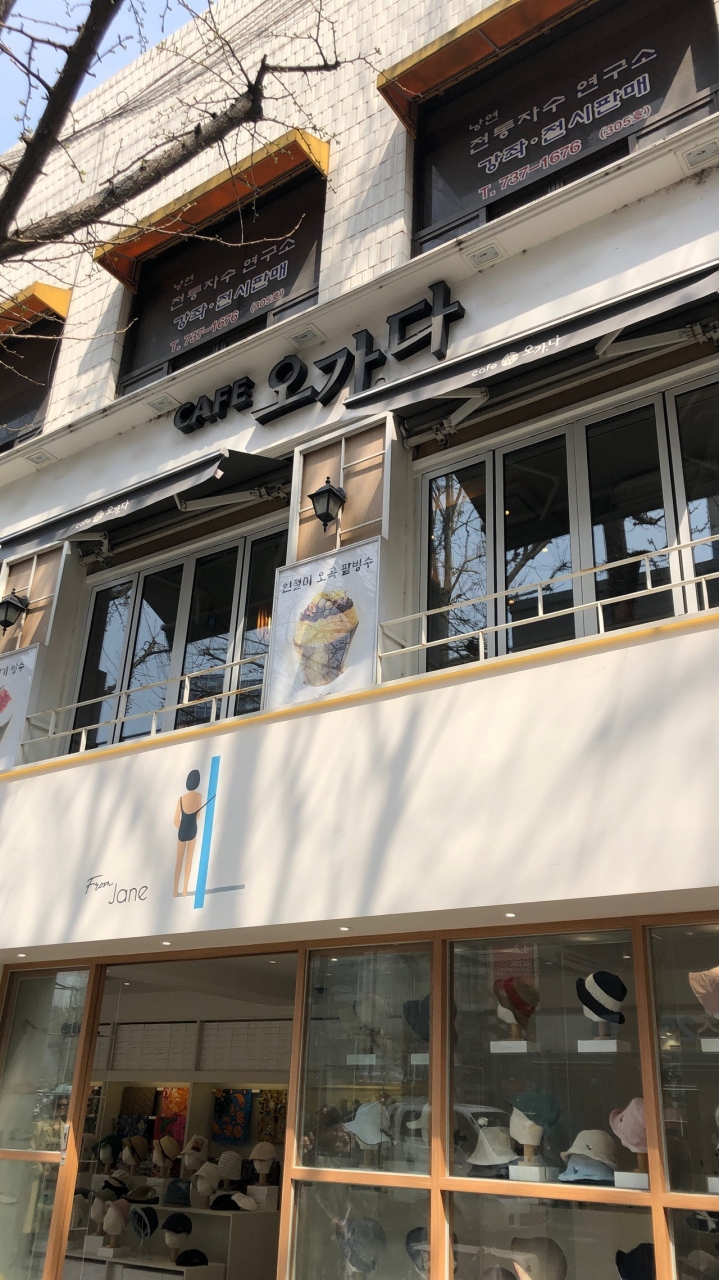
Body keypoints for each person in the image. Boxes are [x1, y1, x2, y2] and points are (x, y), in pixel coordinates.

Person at [173, 770, 203, 897]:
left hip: (182, 831)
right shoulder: (199, 797)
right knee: (189, 860)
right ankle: (185, 889)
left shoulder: (181, 799)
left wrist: (182, 827)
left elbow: (175, 820)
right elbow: (198, 816)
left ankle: (175, 890)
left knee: (179, 861)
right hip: (192, 831)